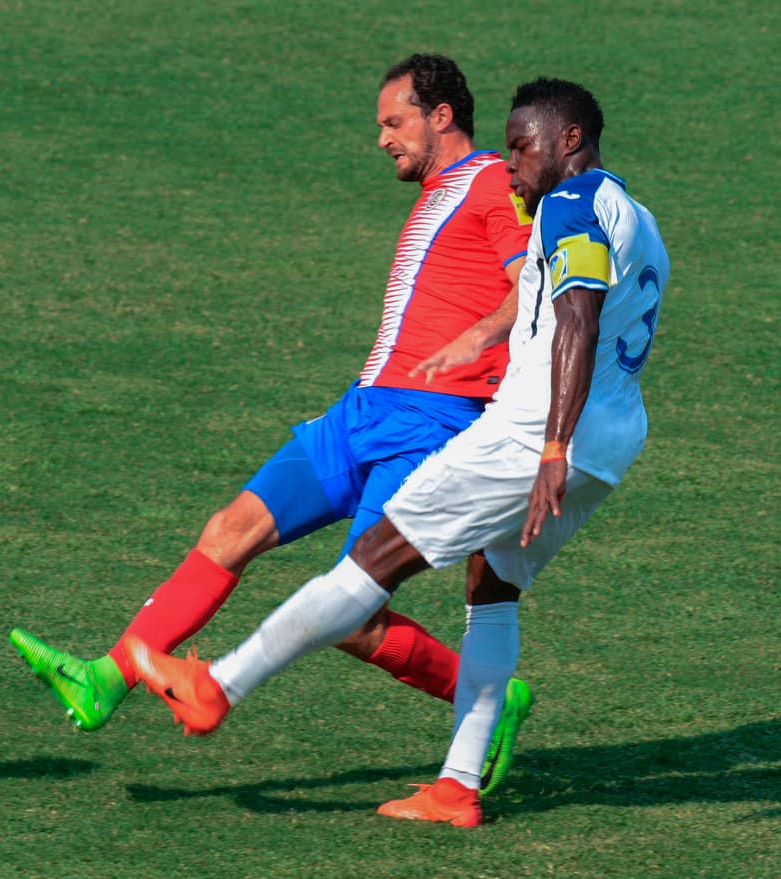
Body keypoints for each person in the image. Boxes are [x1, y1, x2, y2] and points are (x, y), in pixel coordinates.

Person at [125, 77, 670, 828]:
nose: (509, 165)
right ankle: (456, 788)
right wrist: (493, 346)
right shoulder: (638, 219)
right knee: (491, 588)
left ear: (570, 140)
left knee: (371, 562)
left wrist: (548, 445)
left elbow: (575, 319)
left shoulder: (571, 205)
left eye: (522, 147)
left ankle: (218, 683)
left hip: (535, 436)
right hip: (607, 450)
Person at [10, 53, 536, 793]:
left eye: (394, 122)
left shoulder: (491, 186)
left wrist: (481, 338)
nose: (382, 139)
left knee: (351, 614)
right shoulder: (439, 192)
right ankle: (106, 676)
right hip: (360, 412)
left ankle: (483, 695)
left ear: (440, 115)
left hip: (430, 423)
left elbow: (532, 289)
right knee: (230, 529)